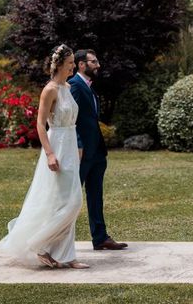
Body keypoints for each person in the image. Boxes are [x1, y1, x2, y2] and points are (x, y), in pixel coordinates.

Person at [0, 44, 89, 269]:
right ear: (59, 64)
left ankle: (66, 256)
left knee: (70, 201)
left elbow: (72, 123)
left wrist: (78, 148)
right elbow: (40, 124)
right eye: (69, 64)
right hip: (56, 145)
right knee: (68, 202)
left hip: (69, 145)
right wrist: (50, 154)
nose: (72, 67)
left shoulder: (67, 87)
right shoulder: (49, 90)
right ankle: (39, 244)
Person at [69, 49, 128, 251]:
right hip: (82, 153)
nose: (98, 65)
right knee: (71, 197)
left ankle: (100, 237)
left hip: (97, 153)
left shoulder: (90, 87)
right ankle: (59, 240)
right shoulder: (75, 86)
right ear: (81, 64)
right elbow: (70, 119)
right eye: (94, 62)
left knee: (96, 196)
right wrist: (79, 147)